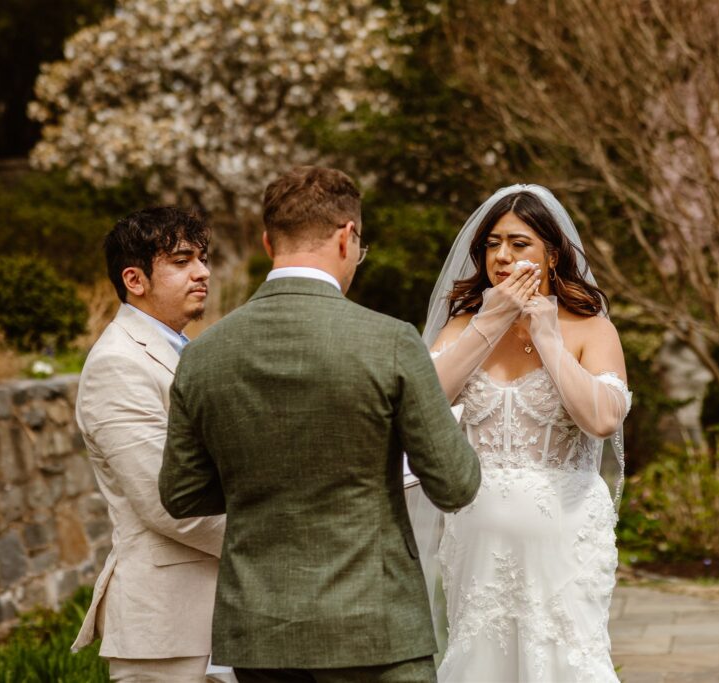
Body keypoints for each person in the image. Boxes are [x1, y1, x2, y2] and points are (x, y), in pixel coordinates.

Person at [158, 166, 481, 683]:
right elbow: (455, 483)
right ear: (347, 236)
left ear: (268, 241)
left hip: (260, 632)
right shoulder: (390, 341)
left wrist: (259, 477)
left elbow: (181, 494)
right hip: (373, 629)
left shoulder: (204, 355)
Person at [419, 184, 631, 682]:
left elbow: (601, 419)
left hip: (566, 532)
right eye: (492, 244)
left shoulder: (590, 328)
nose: (502, 255)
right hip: (476, 538)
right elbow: (426, 405)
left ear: (551, 254)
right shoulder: (463, 327)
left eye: (519, 243)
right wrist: (489, 325)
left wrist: (548, 337)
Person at [72, 207, 227, 682]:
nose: (202, 272)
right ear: (134, 279)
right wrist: (288, 537)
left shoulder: (186, 351)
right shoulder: (117, 364)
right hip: (168, 632)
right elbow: (169, 501)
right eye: (181, 261)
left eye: (201, 259)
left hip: (216, 616)